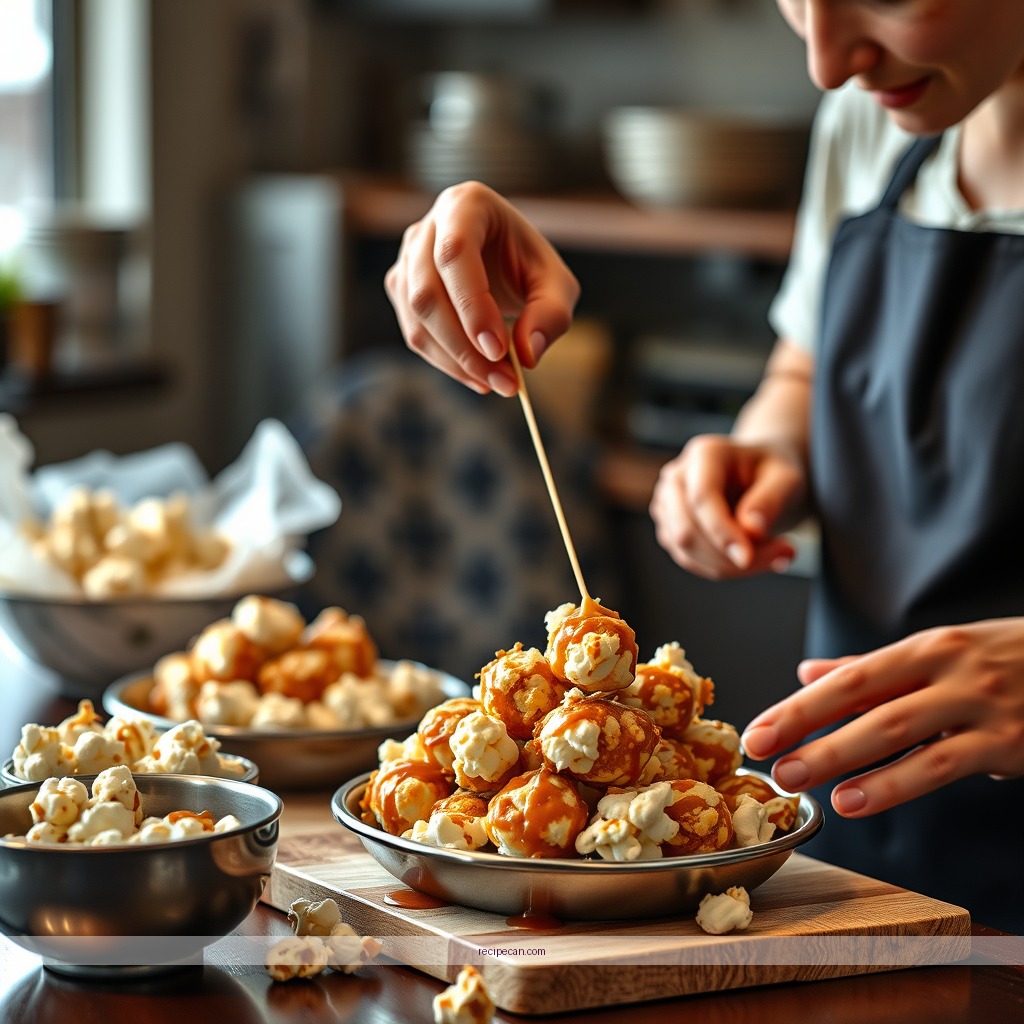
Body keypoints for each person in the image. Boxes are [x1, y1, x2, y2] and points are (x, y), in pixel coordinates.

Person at [384, 1, 1024, 933]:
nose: (828, 64)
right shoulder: (872, 123)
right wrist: (763, 453)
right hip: (858, 859)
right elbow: (805, 370)